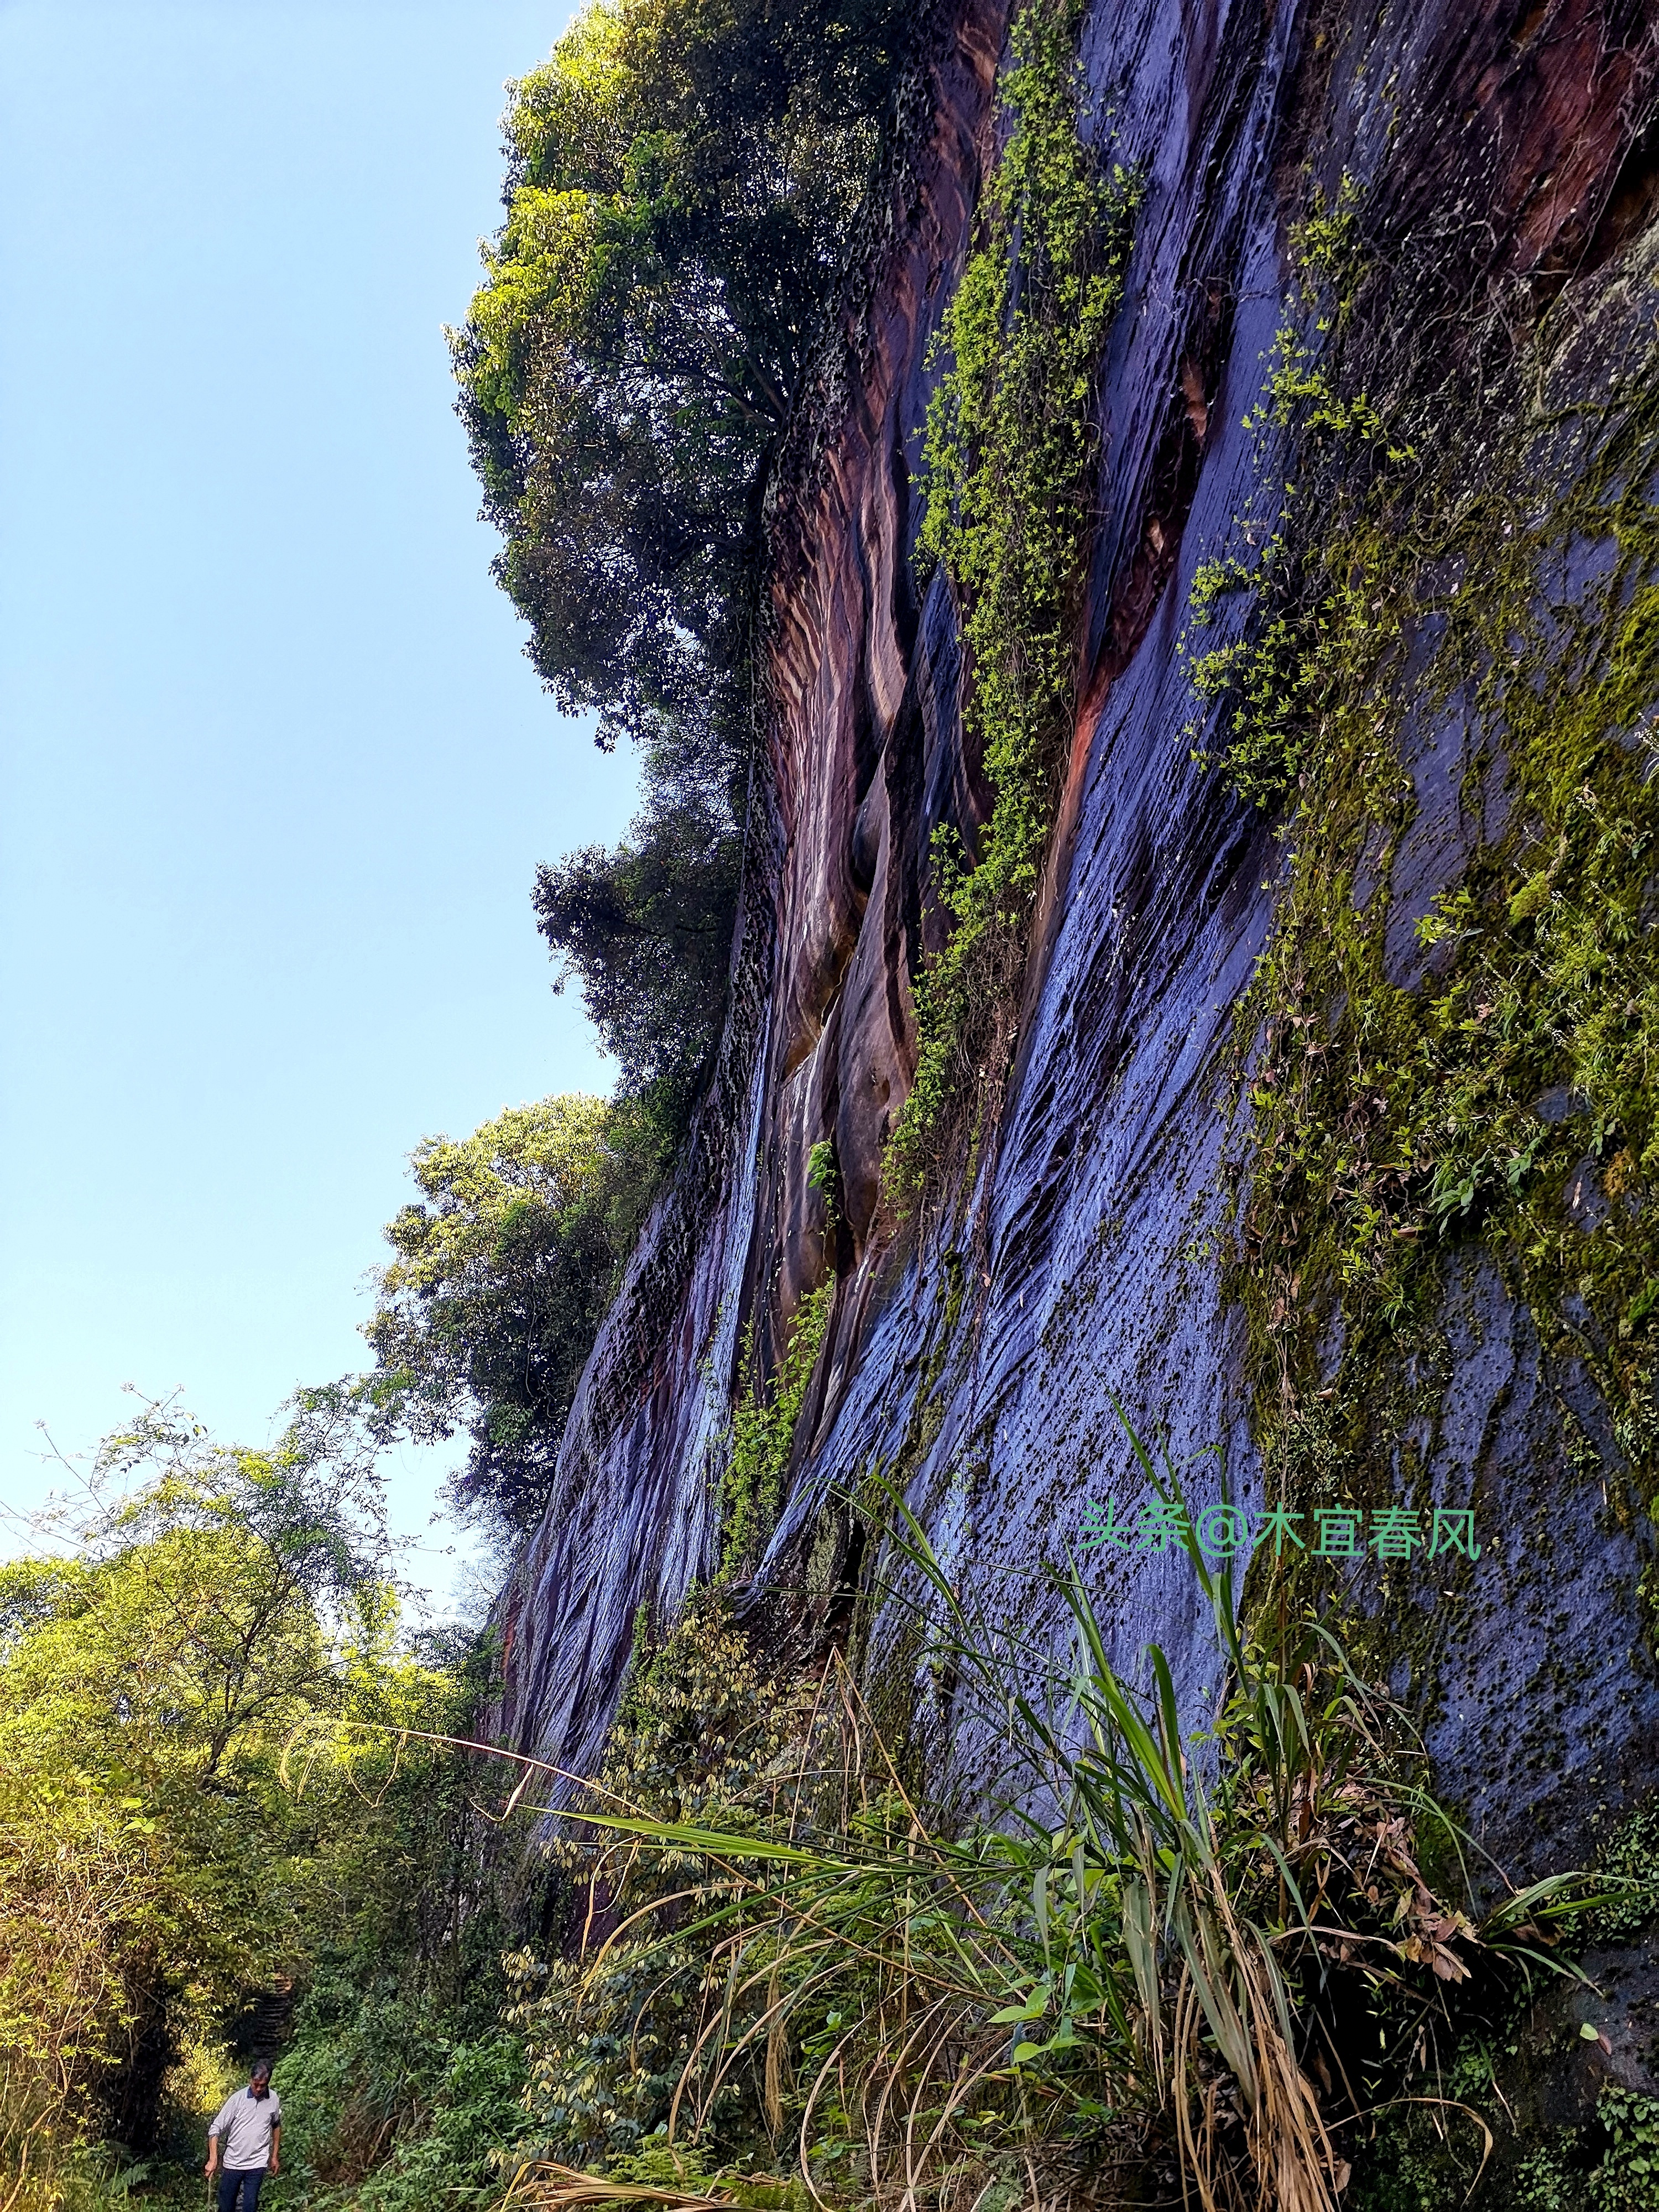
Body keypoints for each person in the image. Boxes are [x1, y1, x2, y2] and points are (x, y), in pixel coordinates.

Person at [205, 2060, 281, 2211]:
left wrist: (274, 2156)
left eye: (263, 2086)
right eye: (256, 2084)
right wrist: (213, 2158)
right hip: (233, 2162)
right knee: (226, 2207)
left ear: (268, 2083)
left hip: (257, 2163)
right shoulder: (237, 2100)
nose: (259, 2089)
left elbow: (276, 2125)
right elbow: (215, 2129)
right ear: (250, 2080)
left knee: (250, 2206)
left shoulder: (273, 2099)